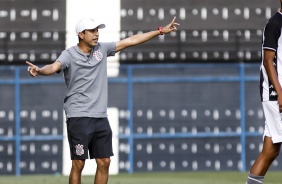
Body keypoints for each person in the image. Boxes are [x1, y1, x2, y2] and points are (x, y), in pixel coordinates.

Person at [26, 17, 179, 184]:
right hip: (78, 117)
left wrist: (160, 31)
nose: (96, 34)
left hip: (100, 117)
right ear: (81, 34)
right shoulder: (68, 55)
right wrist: (39, 70)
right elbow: (53, 67)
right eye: (92, 31)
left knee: (104, 162)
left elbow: (131, 41)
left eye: (97, 30)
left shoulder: (102, 49)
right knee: (78, 163)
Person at [246, 1, 282, 184]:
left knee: (270, 150)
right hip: (275, 94)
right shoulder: (275, 24)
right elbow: (269, 61)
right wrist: (280, 93)